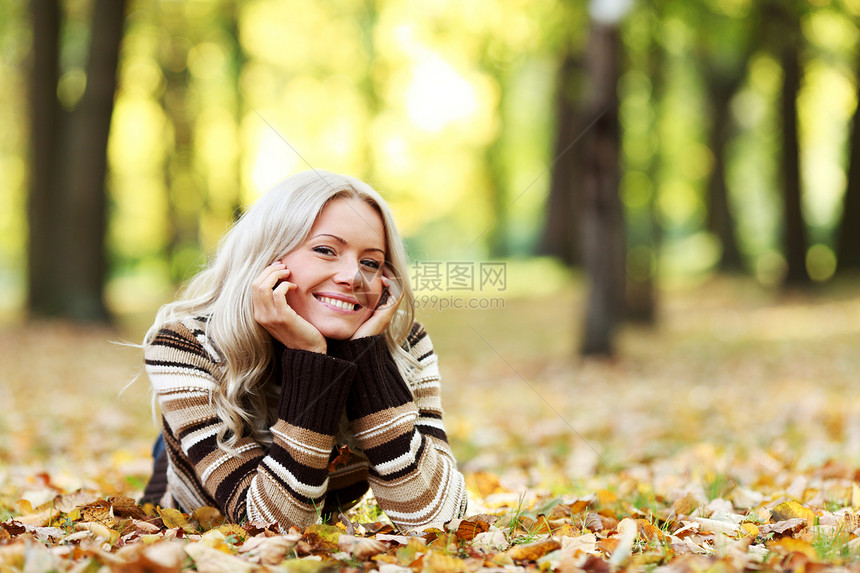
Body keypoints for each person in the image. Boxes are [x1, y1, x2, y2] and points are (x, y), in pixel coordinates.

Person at [140, 170, 468, 531]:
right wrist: (311, 359)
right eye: (326, 250)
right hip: (195, 511)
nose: (353, 277)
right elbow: (271, 531)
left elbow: (442, 522)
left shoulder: (403, 344)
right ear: (267, 256)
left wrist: (368, 358)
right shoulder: (185, 344)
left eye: (371, 262)